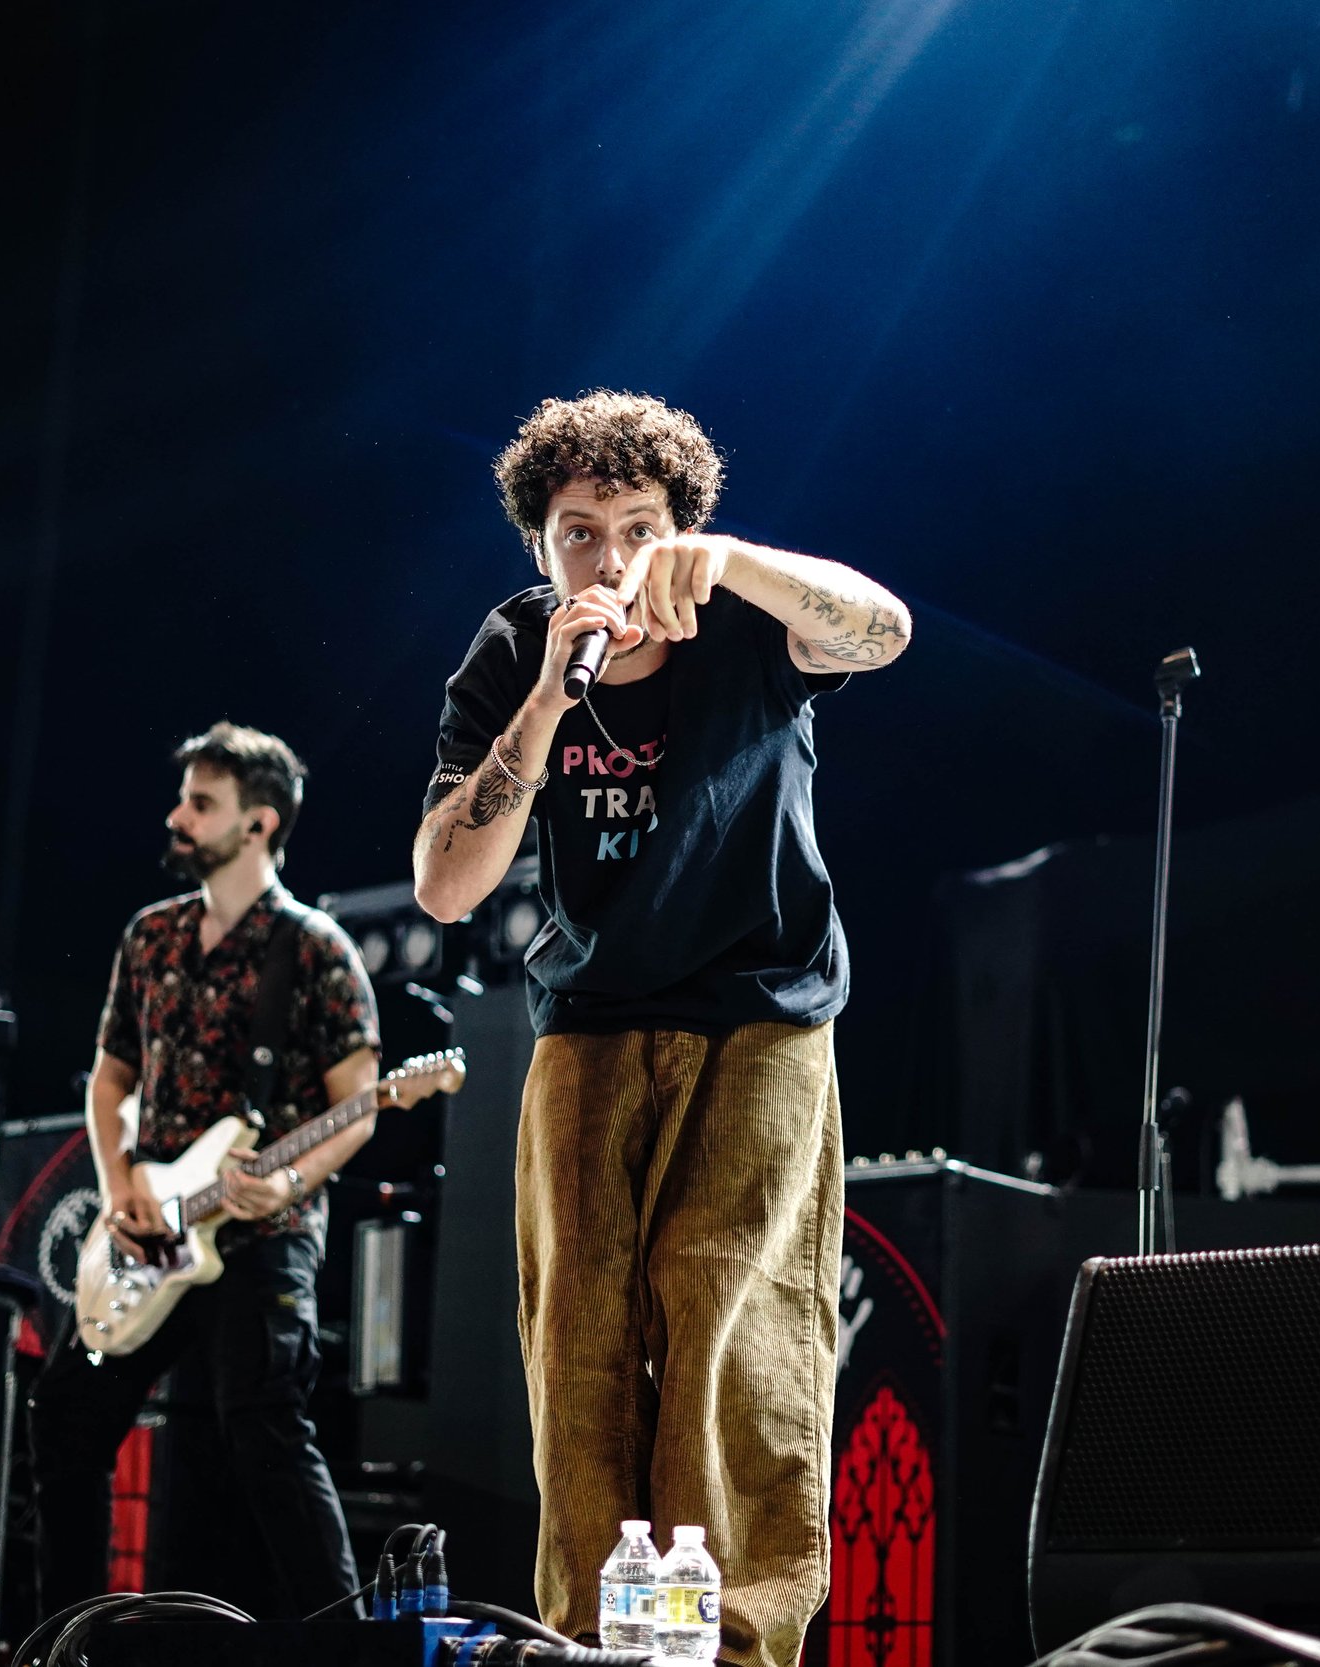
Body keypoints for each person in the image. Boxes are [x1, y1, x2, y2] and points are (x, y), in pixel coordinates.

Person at [413, 390, 911, 1667]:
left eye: (637, 524)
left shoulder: (748, 612)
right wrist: (540, 703)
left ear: (679, 527)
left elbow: (886, 628)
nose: (608, 555)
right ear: (540, 545)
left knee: (725, 1309)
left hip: (762, 1004)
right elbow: (445, 884)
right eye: (578, 530)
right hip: (591, 1014)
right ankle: (591, 1639)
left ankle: (731, 1640)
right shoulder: (514, 645)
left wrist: (737, 560)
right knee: (575, 1327)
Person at [30, 722, 377, 1623]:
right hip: (148, 1230)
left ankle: (346, 1646)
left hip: (263, 1233)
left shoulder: (315, 949)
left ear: (259, 824)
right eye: (184, 797)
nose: (177, 815)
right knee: (64, 1420)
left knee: (265, 1430)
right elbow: (110, 1079)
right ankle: (72, 1640)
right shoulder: (148, 938)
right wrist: (120, 1186)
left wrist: (293, 1183)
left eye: (202, 803)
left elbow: (363, 1101)